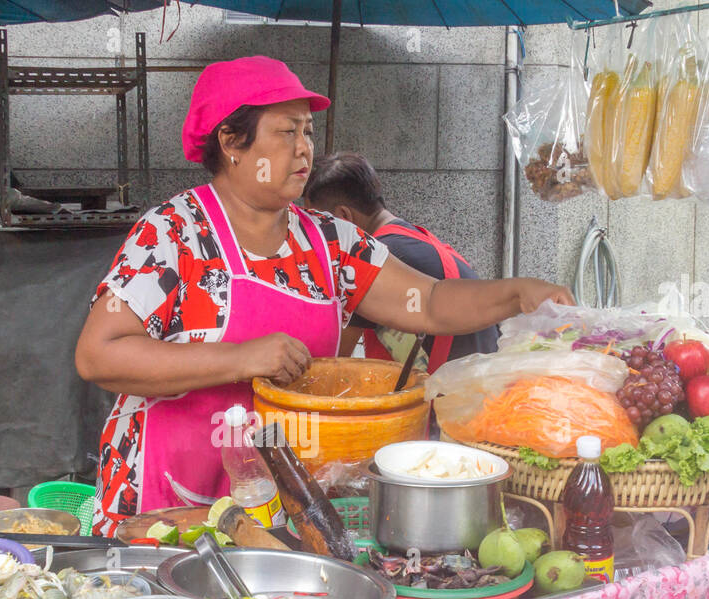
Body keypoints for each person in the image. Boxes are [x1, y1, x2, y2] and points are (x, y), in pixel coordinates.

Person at [75, 56, 572, 536]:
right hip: (168, 499)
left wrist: (516, 293)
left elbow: (432, 301)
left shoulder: (329, 242)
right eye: (286, 131)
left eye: (308, 132)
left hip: (278, 504)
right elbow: (99, 355)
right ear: (231, 141)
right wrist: (242, 357)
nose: (304, 148)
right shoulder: (172, 234)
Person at [304, 150, 497, 370]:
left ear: (343, 217)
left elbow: (332, 361)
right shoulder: (416, 241)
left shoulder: (373, 260)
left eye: (318, 226)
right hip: (482, 388)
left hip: (451, 396)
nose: (316, 238)